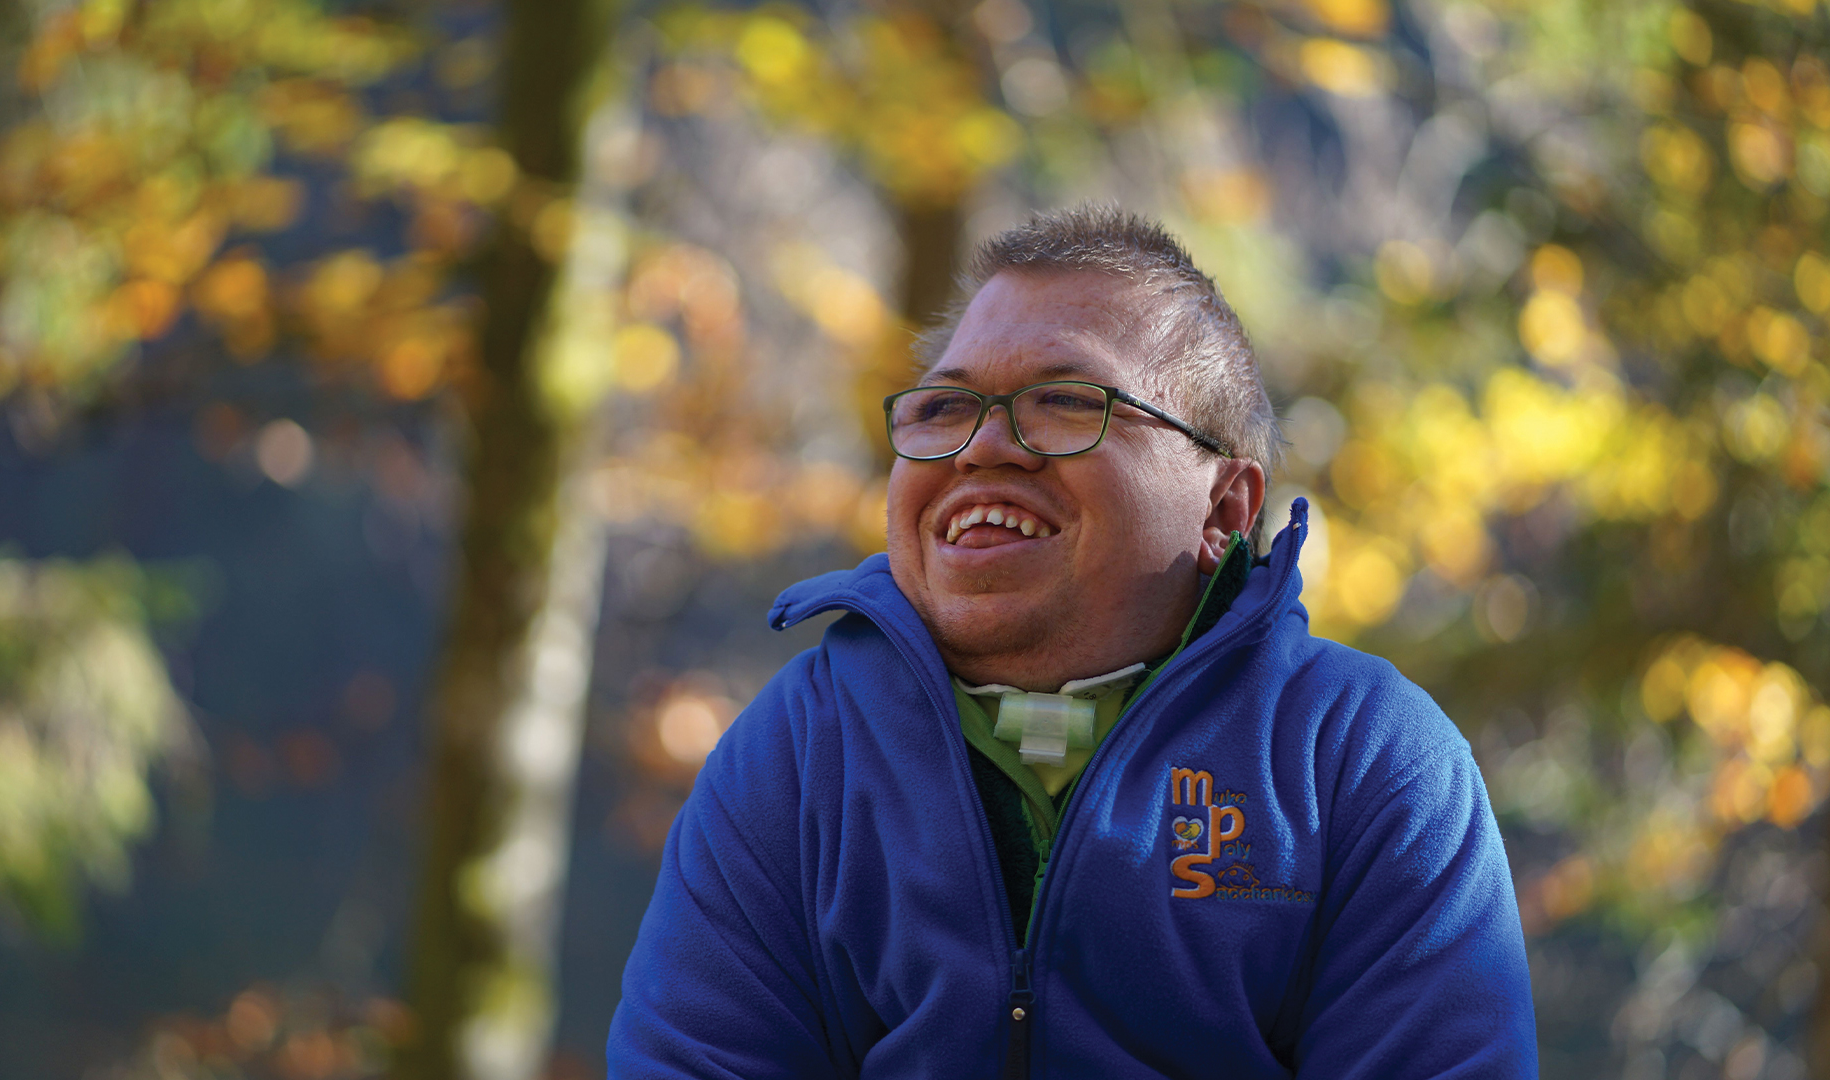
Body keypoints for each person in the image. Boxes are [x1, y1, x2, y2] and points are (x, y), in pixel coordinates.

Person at [607, 206, 1537, 1078]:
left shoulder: (1361, 759)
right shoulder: (800, 751)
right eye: (942, 409)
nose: (980, 447)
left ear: (1225, 508)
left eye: (1063, 400)